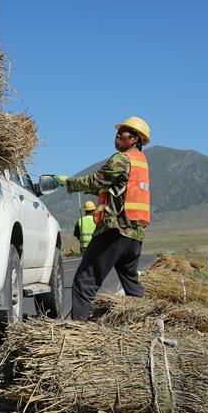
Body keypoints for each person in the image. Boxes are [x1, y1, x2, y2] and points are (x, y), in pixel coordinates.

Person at [55, 117, 151, 321]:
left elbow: (95, 181)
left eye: (122, 133)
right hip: (135, 236)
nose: (117, 135)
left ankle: (78, 332)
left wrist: (68, 182)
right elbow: (112, 189)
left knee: (84, 281)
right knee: (131, 282)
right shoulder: (141, 164)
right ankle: (146, 323)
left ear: (134, 139)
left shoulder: (121, 159)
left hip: (114, 231)